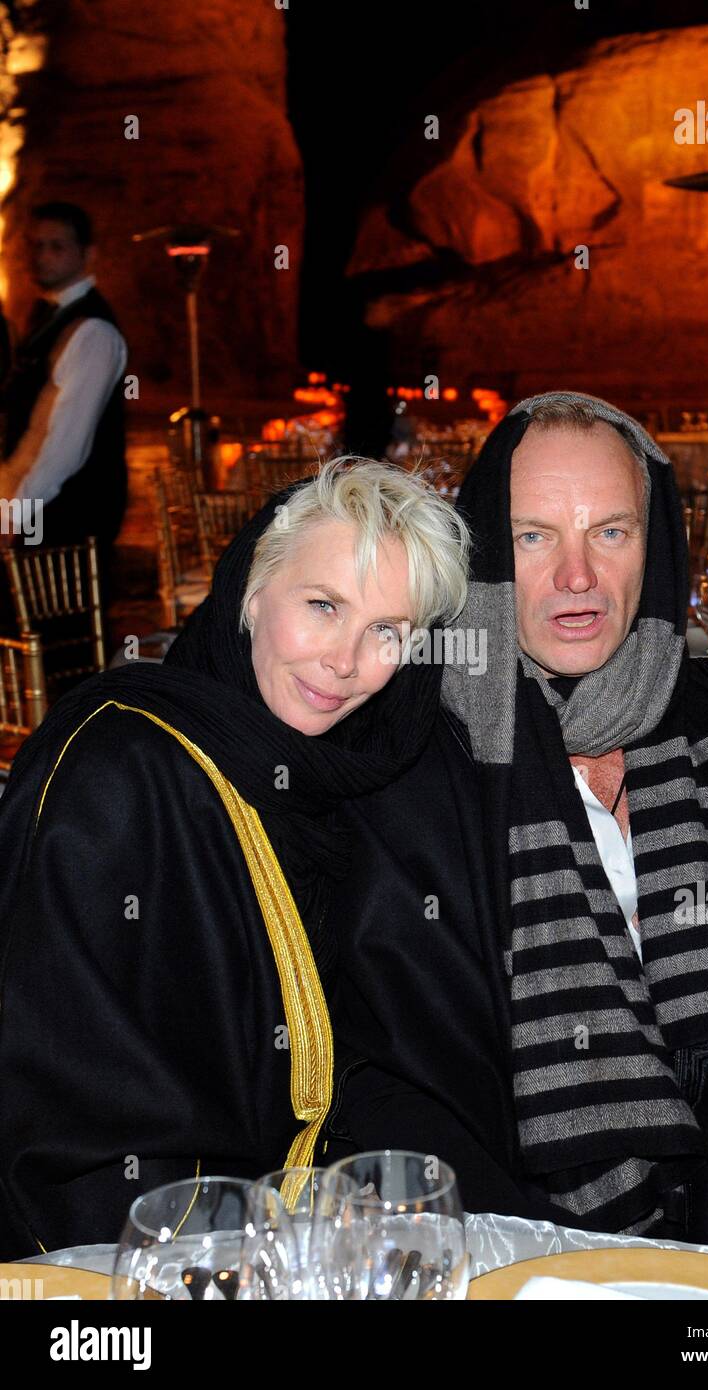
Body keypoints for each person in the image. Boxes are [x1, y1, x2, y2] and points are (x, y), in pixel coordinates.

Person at [324, 392, 708, 1251]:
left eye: (610, 531)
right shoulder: (416, 776)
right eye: (536, 536)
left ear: (655, 548)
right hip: (532, 1263)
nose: (577, 577)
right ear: (489, 551)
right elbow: (397, 1086)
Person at [0, 458, 469, 1258]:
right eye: (323, 606)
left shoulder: (361, 775)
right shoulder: (122, 768)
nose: (345, 662)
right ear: (252, 592)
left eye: (387, 631)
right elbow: (56, 1102)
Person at [0, 202, 128, 608]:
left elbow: (65, 444)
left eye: (56, 246)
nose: (42, 256)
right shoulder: (49, 318)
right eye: (36, 246)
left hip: (68, 515)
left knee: (59, 637)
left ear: (87, 254)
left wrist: (18, 513)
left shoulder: (92, 330)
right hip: (40, 507)